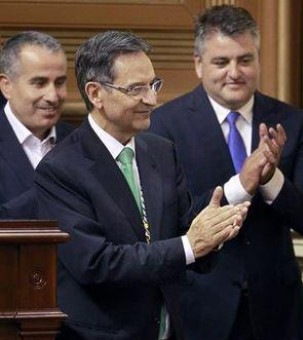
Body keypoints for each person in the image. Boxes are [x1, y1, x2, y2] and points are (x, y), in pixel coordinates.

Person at [35, 31, 249, 340]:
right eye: (137, 88)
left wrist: (215, 232)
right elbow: (97, 264)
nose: (152, 99)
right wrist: (190, 245)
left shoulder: (161, 152)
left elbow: (185, 237)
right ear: (95, 93)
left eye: (153, 84)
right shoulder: (61, 169)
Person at [149, 5, 303, 339]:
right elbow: (171, 223)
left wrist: (271, 179)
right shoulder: (165, 126)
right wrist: (241, 185)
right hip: (201, 311)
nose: (235, 72)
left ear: (258, 60)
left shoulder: (292, 122)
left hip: (279, 312)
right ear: (198, 65)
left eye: (245, 60)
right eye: (221, 62)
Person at [0, 31, 73, 218]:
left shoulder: (80, 143)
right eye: (39, 83)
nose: (52, 96)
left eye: (59, 82)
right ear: (6, 86)